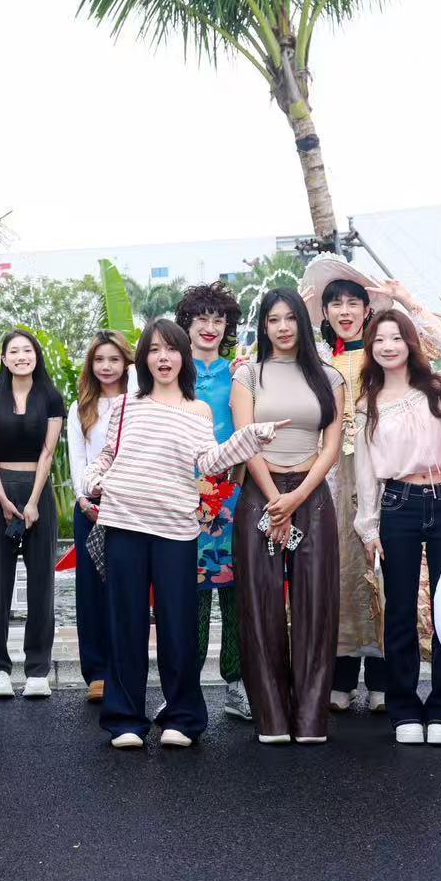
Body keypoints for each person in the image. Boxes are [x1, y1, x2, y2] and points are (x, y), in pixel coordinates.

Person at [83, 319, 286, 749]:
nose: (163, 358)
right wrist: (91, 481)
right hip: (123, 522)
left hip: (176, 528)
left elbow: (211, 463)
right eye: (154, 350)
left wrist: (251, 437)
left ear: (183, 357)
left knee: (178, 625)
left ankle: (183, 716)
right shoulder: (124, 406)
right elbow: (105, 457)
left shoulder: (199, 410)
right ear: (144, 358)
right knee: (127, 623)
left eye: (171, 349)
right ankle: (125, 719)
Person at [230, 288, 345, 744]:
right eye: (273, 320)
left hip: (311, 493)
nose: (282, 328)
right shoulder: (248, 375)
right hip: (260, 494)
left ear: (302, 322)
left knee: (317, 604)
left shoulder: (330, 377)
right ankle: (273, 719)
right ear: (263, 326)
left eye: (290, 319)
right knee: (260, 607)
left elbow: (331, 446)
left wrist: (296, 498)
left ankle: (311, 719)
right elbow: (245, 438)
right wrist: (274, 499)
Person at [354, 305, 441, 745]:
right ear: (371, 348)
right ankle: (404, 707)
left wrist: (407, 299)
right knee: (399, 609)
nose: (387, 346)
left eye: (396, 338)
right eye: (379, 340)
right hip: (399, 502)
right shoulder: (369, 403)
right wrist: (368, 527)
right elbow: (366, 468)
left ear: (410, 342)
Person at [177, 282, 254, 722]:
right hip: (183, 494)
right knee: (189, 595)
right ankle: (185, 687)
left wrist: (236, 488)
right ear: (186, 321)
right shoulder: (172, 370)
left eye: (218, 319)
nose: (209, 327)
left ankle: (236, 683)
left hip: (232, 492)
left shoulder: (240, 373)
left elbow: (246, 432)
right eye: (201, 317)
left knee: (235, 593)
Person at [0, 328, 66, 698]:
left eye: (27, 350)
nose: (20, 356)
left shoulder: (51, 398)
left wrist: (31, 502)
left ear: (36, 356)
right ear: (3, 359)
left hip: (37, 496)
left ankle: (37, 669)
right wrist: (3, 499)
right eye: (13, 351)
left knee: (41, 584)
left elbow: (47, 454)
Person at [65, 330, 134, 703]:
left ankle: (125, 667)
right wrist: (84, 497)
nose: (106, 367)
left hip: (130, 507)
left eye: (114, 359)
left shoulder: (140, 403)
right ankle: (97, 672)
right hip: (91, 507)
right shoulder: (81, 407)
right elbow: (78, 458)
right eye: (99, 360)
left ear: (127, 363)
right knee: (91, 589)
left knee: (127, 588)